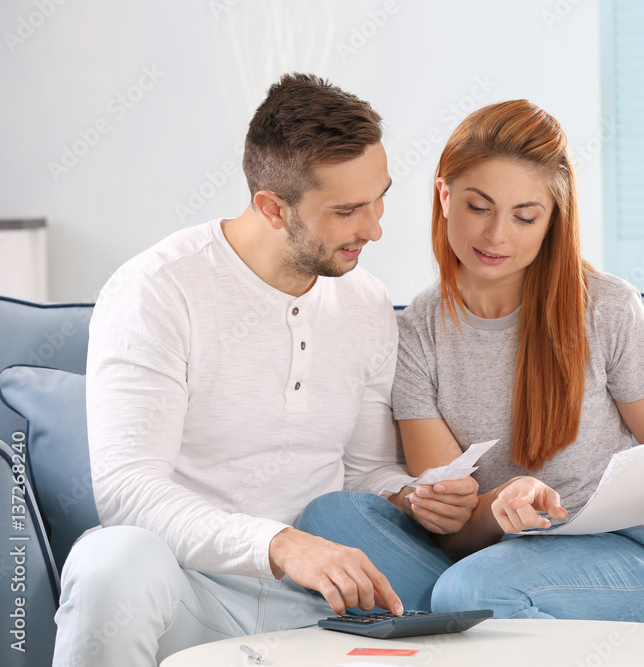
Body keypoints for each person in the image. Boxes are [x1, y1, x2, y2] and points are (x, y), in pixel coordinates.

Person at [52, 73, 458, 666]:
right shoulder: (157, 291)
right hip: (195, 593)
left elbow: (363, 470)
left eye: (380, 198)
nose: (374, 228)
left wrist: (411, 495)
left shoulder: (365, 301)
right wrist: (281, 545)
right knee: (108, 563)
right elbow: (128, 492)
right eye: (346, 211)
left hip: (324, 608)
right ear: (272, 208)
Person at [297, 99, 644, 622]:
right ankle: (476, 623)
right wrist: (497, 506)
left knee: (472, 593)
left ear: (552, 221)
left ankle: (459, 620)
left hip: (624, 556)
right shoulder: (416, 332)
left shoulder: (607, 308)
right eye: (479, 207)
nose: (497, 235)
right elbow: (452, 534)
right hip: (487, 559)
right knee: (329, 520)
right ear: (444, 196)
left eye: (524, 217)